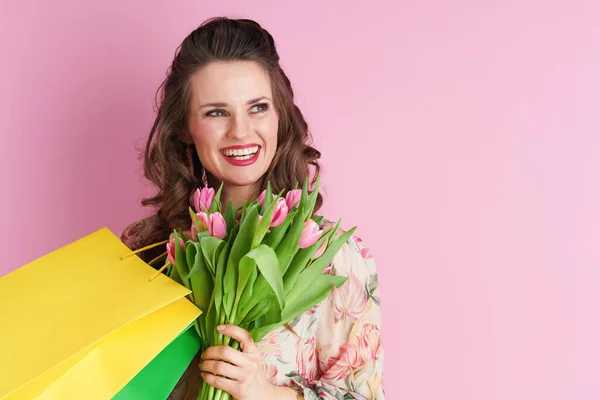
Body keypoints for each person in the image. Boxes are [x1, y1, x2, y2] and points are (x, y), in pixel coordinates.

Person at [120, 17, 385, 400]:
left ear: (280, 114)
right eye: (216, 112)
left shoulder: (334, 256)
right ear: (184, 127)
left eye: (258, 107)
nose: (241, 132)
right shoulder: (146, 249)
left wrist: (263, 393)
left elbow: (364, 395)